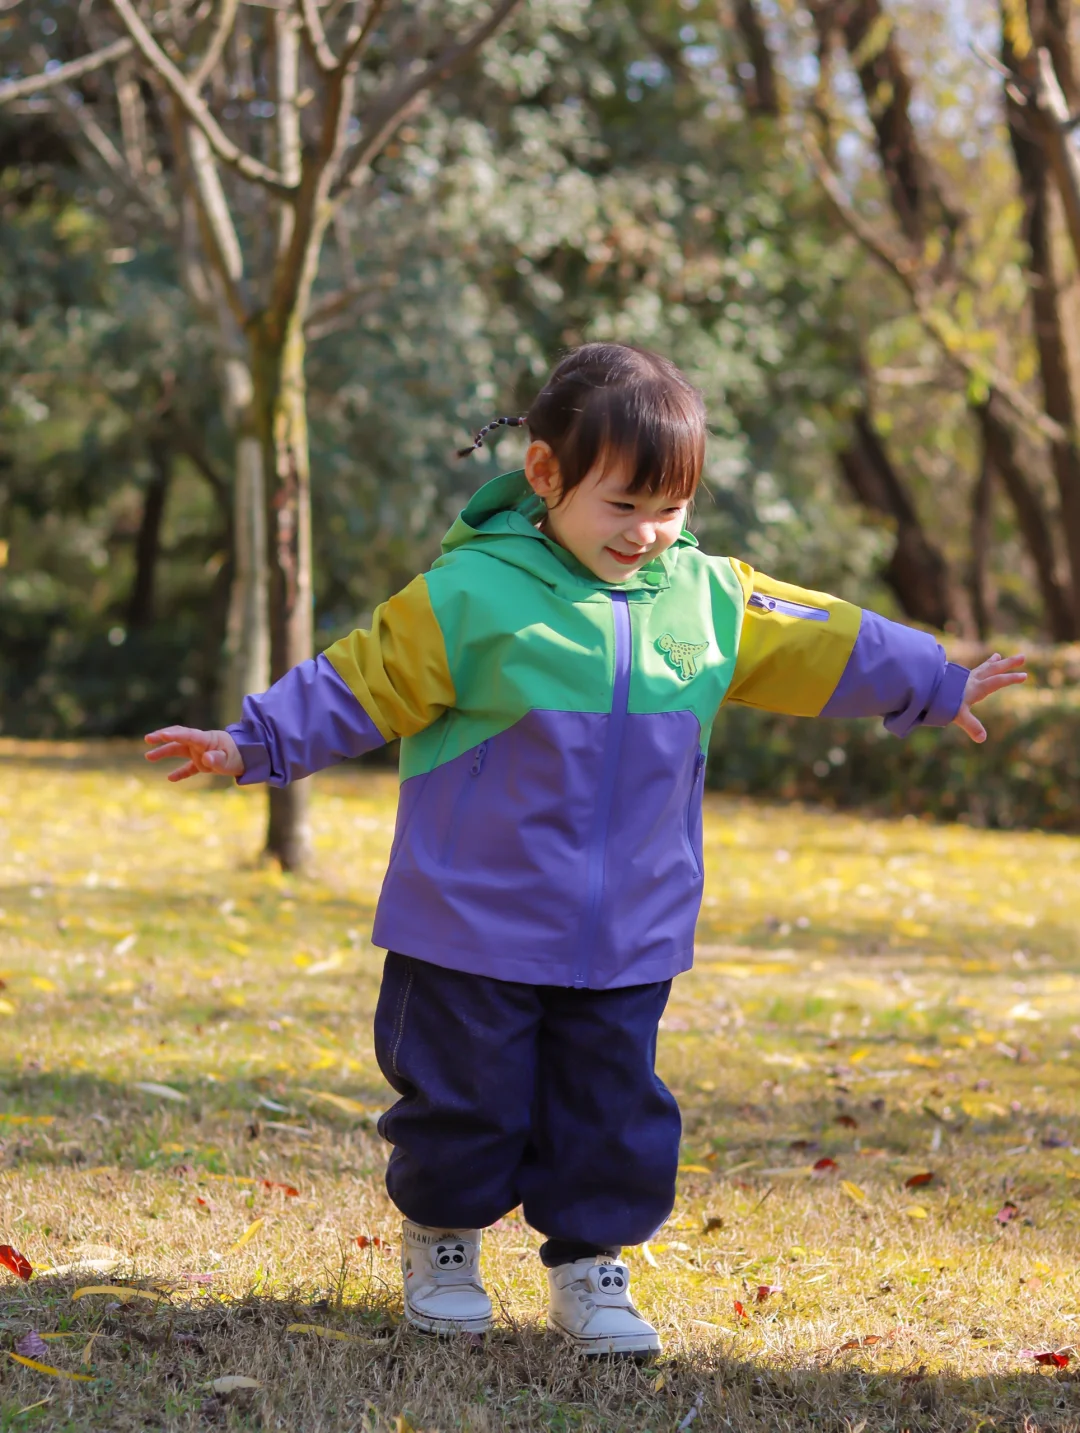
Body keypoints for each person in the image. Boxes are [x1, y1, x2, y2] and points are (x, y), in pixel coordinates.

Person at [145, 343, 1026, 1356]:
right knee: (463, 1102)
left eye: (671, 507)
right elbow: (361, 680)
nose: (648, 534)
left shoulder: (707, 597)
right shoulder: (469, 595)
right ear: (547, 474)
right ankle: (442, 1238)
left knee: (613, 1108)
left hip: (628, 926)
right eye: (623, 505)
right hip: (470, 922)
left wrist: (936, 680)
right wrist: (250, 740)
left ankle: (590, 1263)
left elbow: (823, 635)